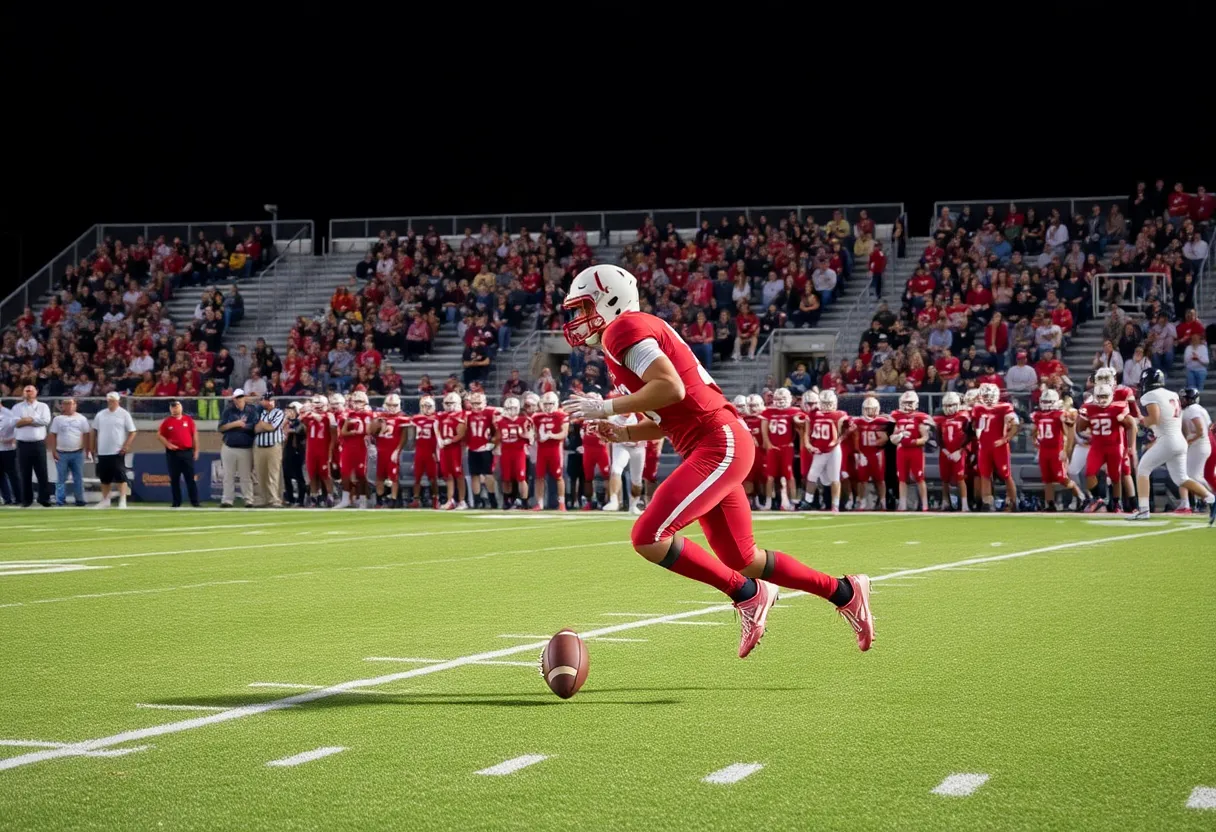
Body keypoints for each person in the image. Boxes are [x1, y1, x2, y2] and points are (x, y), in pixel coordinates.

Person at [559, 264, 874, 658]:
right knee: (742, 558)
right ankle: (844, 591)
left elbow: (670, 388)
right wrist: (623, 433)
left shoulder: (623, 328)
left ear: (610, 300)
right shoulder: (626, 335)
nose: (578, 318)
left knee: (648, 536)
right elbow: (667, 416)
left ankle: (747, 594)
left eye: (584, 307)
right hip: (712, 443)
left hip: (717, 442)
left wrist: (607, 407)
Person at [1129, 370, 1216, 522]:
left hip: (1167, 440)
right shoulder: (1172, 394)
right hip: (1179, 440)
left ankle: (1143, 510)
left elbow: (1154, 419)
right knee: (1181, 478)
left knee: (1143, 469)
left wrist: (1139, 421)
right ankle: (1211, 499)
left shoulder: (1149, 395)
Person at [1031, 389, 1084, 511]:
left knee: (1061, 478)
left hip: (1056, 449)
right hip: (1044, 449)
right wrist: (1034, 439)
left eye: (1048, 401)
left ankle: (1080, 496)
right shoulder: (1038, 415)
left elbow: (1068, 430)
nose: (1046, 404)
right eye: (1044, 401)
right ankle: (1050, 504)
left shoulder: (1060, 414)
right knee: (1047, 479)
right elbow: (1035, 430)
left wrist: (1065, 450)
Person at [91, 391, 136, 509]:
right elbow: (94, 431)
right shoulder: (100, 414)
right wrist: (93, 447)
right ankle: (106, 500)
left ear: (118, 401)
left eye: (113, 401)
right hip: (103, 451)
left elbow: (132, 431)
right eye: (109, 400)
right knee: (104, 477)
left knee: (120, 476)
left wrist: (126, 446)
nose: (110, 403)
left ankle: (122, 500)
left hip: (117, 451)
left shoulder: (124, 414)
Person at [11, 385, 53, 507]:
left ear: (36, 392)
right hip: (22, 444)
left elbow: (45, 421)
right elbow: (15, 423)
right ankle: (26, 500)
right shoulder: (17, 407)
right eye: (26, 391)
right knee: (24, 473)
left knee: (42, 472)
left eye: (31, 391)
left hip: (38, 443)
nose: (29, 393)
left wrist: (26, 420)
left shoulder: (43, 406)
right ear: (23, 393)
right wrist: (34, 420)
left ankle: (44, 498)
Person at [218, 389, 258, 507]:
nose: (239, 399)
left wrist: (242, 426)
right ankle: (227, 500)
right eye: (237, 397)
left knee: (246, 476)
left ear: (244, 397)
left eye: (241, 397)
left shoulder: (251, 410)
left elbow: (254, 426)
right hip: (229, 446)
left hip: (245, 448)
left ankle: (249, 500)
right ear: (234, 399)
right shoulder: (228, 410)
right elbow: (221, 427)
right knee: (228, 475)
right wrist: (235, 424)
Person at [157, 399, 201, 508]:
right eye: (172, 407)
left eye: (176, 407)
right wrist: (168, 444)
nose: (174, 409)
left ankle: (195, 501)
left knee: (190, 478)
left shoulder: (188, 420)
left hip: (186, 452)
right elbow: (159, 435)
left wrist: (196, 450)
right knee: (174, 478)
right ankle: (176, 502)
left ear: (181, 407)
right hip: (173, 453)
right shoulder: (167, 422)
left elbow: (194, 436)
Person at [48, 397, 90, 506]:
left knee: (78, 477)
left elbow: (86, 434)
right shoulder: (58, 419)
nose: (69, 406)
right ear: (62, 406)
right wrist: (53, 451)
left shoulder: (82, 419)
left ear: (75, 405)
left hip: (77, 453)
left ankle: (79, 499)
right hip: (61, 452)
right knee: (61, 477)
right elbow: (53, 435)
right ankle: (60, 499)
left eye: (71, 403)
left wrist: (86, 450)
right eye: (66, 404)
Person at [531, 391, 568, 511]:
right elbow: (534, 433)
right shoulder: (536, 417)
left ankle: (562, 503)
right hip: (541, 450)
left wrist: (551, 435)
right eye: (546, 404)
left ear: (555, 403)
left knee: (558, 476)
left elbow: (564, 433)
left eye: (550, 403)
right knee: (539, 477)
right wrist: (533, 436)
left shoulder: (561, 415)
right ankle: (539, 503)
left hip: (555, 449)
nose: (548, 406)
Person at [1178, 388, 1212, 513]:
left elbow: (1201, 430)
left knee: (1193, 476)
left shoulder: (1193, 409)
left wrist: (1189, 440)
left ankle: (1211, 495)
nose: (1182, 401)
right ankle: (1202, 501)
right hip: (1201, 445)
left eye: (1184, 398)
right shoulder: (1197, 409)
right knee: (1192, 475)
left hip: (1199, 445)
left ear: (1190, 399)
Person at [0, 401, 19, 505]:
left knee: (13, 475)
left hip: (8, 449)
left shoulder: (9, 413)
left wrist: (13, 439)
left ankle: (19, 498)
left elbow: (17, 428)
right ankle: (7, 499)